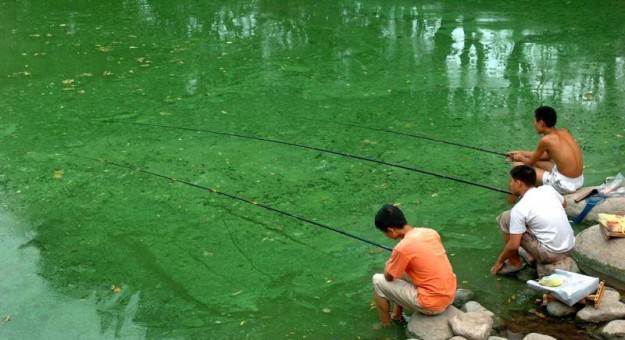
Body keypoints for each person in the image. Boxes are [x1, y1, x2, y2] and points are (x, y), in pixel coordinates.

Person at [372, 204, 456, 327]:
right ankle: (397, 314)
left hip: (433, 305)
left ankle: (385, 324)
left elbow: (388, 278)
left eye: (384, 232)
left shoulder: (402, 248)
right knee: (402, 269)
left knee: (377, 280)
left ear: (390, 230)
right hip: (449, 295)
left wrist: (388, 264)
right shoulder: (430, 232)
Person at [491, 165, 575, 275]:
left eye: (511, 181)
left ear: (518, 183)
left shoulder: (519, 209)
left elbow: (513, 245)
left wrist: (499, 262)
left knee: (505, 218)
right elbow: (564, 204)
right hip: (570, 246)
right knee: (529, 220)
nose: (510, 185)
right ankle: (532, 256)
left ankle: (514, 263)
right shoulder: (548, 189)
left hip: (552, 254)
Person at [506, 105, 584, 195]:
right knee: (541, 163)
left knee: (517, 166)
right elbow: (547, 156)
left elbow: (529, 163)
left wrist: (520, 158)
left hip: (565, 185)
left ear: (541, 123)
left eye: (535, 121)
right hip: (578, 180)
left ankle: (512, 199)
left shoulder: (546, 140)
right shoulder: (564, 132)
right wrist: (520, 153)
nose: (534, 124)